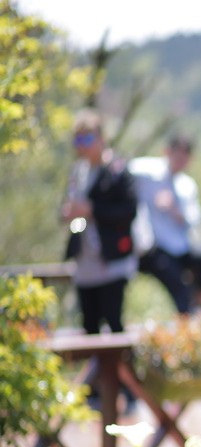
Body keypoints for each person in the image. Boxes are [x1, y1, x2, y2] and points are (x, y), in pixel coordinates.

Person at [62, 109, 138, 334]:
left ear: (101, 138)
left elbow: (129, 211)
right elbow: (68, 208)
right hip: (84, 261)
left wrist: (93, 210)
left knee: (113, 322)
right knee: (89, 325)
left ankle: (118, 360)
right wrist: (69, 213)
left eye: (87, 139)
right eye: (78, 140)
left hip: (112, 259)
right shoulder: (77, 172)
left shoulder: (116, 170)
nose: (82, 146)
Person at [131, 134, 201, 316]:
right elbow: (123, 169)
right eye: (177, 156)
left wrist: (175, 211)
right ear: (167, 152)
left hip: (180, 245)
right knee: (178, 285)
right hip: (155, 247)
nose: (180, 162)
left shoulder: (186, 185)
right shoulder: (147, 173)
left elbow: (194, 220)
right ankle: (186, 318)